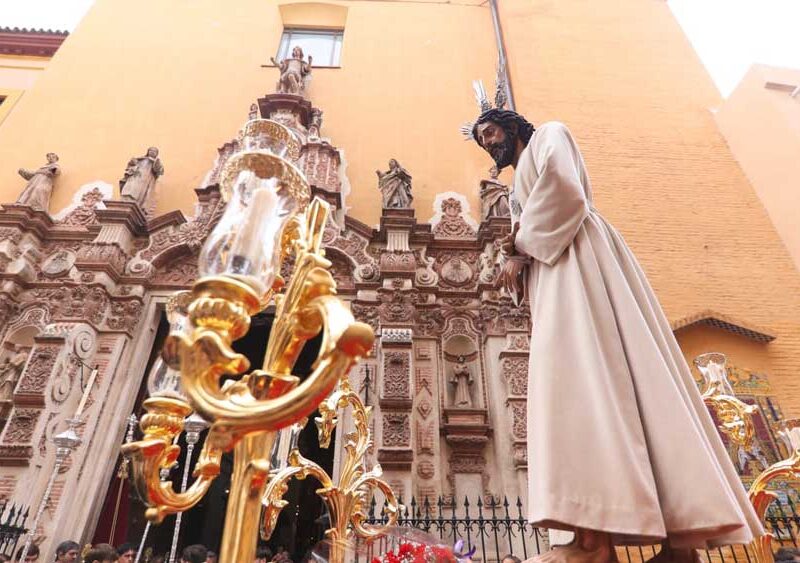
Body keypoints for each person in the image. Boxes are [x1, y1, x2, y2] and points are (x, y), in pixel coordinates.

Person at [471, 106, 762, 563]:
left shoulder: (550, 133)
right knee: (582, 387)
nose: (488, 143)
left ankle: (598, 542)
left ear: (511, 126)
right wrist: (518, 258)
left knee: (594, 379)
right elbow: (528, 235)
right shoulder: (514, 188)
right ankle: (622, 537)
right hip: (554, 273)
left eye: (490, 132)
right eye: (481, 140)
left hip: (579, 262)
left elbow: (565, 189)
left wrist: (519, 246)